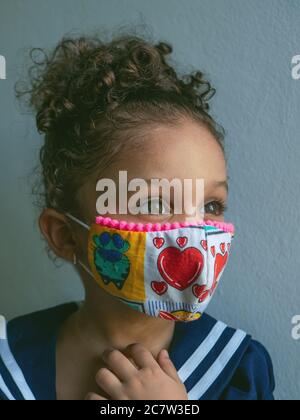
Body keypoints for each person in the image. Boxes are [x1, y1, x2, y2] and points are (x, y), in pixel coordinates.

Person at [0, 33, 275, 400]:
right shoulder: (10, 360)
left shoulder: (236, 368)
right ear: (66, 236)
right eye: (154, 204)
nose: (194, 231)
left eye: (211, 206)